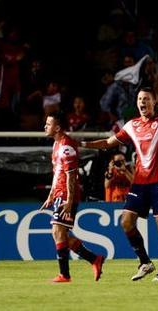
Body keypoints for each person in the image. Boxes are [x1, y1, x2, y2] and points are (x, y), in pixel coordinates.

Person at [80, 71, 158, 281]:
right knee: (126, 222)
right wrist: (83, 144)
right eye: (140, 99)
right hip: (139, 183)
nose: (142, 102)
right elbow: (108, 143)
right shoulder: (131, 125)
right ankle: (145, 262)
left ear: (154, 102)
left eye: (146, 99)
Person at [40, 111, 105, 283]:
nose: (45, 126)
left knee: (58, 231)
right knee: (59, 233)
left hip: (67, 194)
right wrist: (50, 195)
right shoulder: (56, 145)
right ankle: (94, 259)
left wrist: (68, 199)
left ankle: (65, 275)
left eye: (48, 123)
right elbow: (57, 174)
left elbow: (71, 175)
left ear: (58, 127)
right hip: (60, 193)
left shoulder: (66, 147)